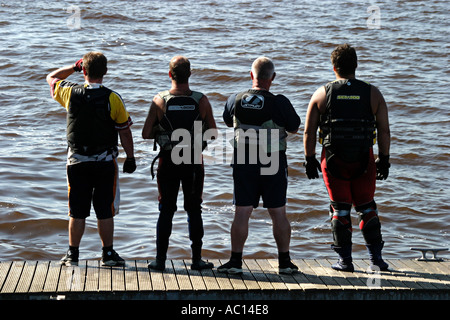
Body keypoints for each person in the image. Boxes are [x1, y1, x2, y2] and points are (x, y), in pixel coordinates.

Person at [303, 44, 391, 272]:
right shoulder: (373, 93)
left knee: (340, 209)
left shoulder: (321, 93)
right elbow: (384, 131)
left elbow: (309, 131)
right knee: (367, 207)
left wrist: (309, 158)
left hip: (333, 161)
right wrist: (384, 159)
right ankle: (377, 261)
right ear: (356, 66)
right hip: (364, 160)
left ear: (334, 67)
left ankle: (345, 262)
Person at [46, 51, 136, 267]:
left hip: (76, 162)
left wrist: (74, 66)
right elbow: (124, 131)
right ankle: (108, 254)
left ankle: (72, 254)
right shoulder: (113, 98)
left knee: (77, 210)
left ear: (83, 70)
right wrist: (130, 157)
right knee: (105, 209)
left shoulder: (69, 92)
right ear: (105, 72)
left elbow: (51, 77)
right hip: (104, 163)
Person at [220, 57, 301, 274]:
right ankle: (284, 263)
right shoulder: (279, 102)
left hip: (244, 159)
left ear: (251, 75)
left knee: (242, 211)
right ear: (272, 78)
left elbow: (228, 121)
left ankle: (235, 262)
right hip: (272, 158)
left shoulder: (235, 99)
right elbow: (294, 127)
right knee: (278, 212)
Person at [142, 56, 217, 271]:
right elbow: (213, 134)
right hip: (193, 160)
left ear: (169, 75)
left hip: (168, 160)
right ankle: (196, 260)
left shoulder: (159, 100)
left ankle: (160, 260)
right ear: (190, 75)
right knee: (194, 209)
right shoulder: (201, 100)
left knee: (166, 210)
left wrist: (162, 131)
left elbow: (146, 133)